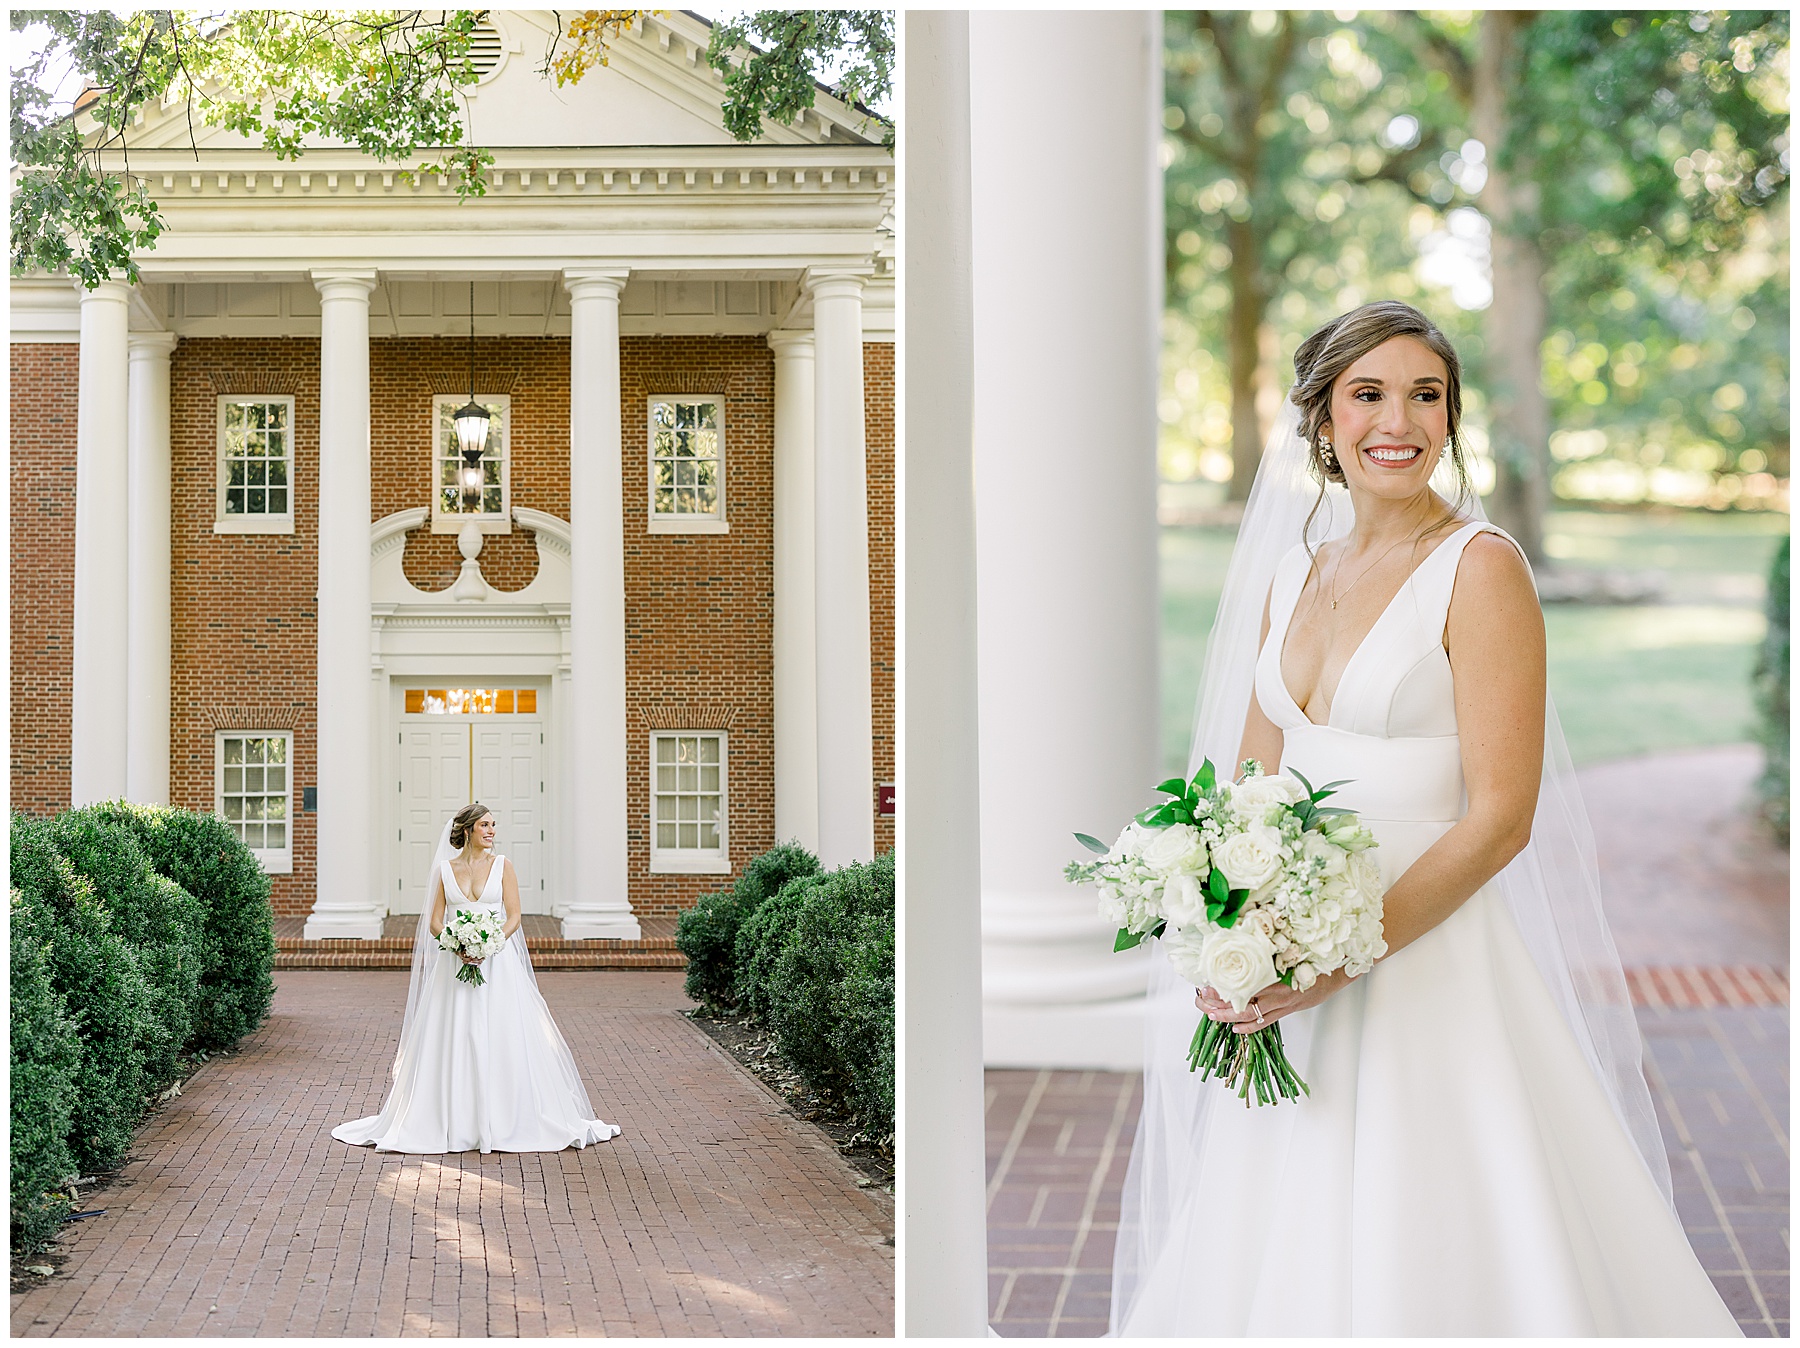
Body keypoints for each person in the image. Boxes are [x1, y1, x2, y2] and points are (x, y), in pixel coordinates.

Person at [1110, 302, 1740, 1336]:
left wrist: (1336, 963)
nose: (1397, 420)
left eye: (1425, 395)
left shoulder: (1481, 566)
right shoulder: (1290, 576)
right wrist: (1227, 929)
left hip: (1425, 960)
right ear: (1322, 420)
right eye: (1368, 394)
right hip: (1289, 973)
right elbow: (1244, 793)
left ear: (1451, 418)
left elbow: (1501, 819)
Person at [333, 801, 622, 1153]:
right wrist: (455, 945)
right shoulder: (444, 870)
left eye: (493, 825)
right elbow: (435, 922)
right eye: (485, 825)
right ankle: (451, 1119)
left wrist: (491, 945)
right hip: (453, 967)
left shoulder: (503, 866)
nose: (491, 831)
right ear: (468, 830)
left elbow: (514, 915)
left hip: (496, 965)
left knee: (500, 1034)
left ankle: (505, 1117)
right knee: (452, 1034)